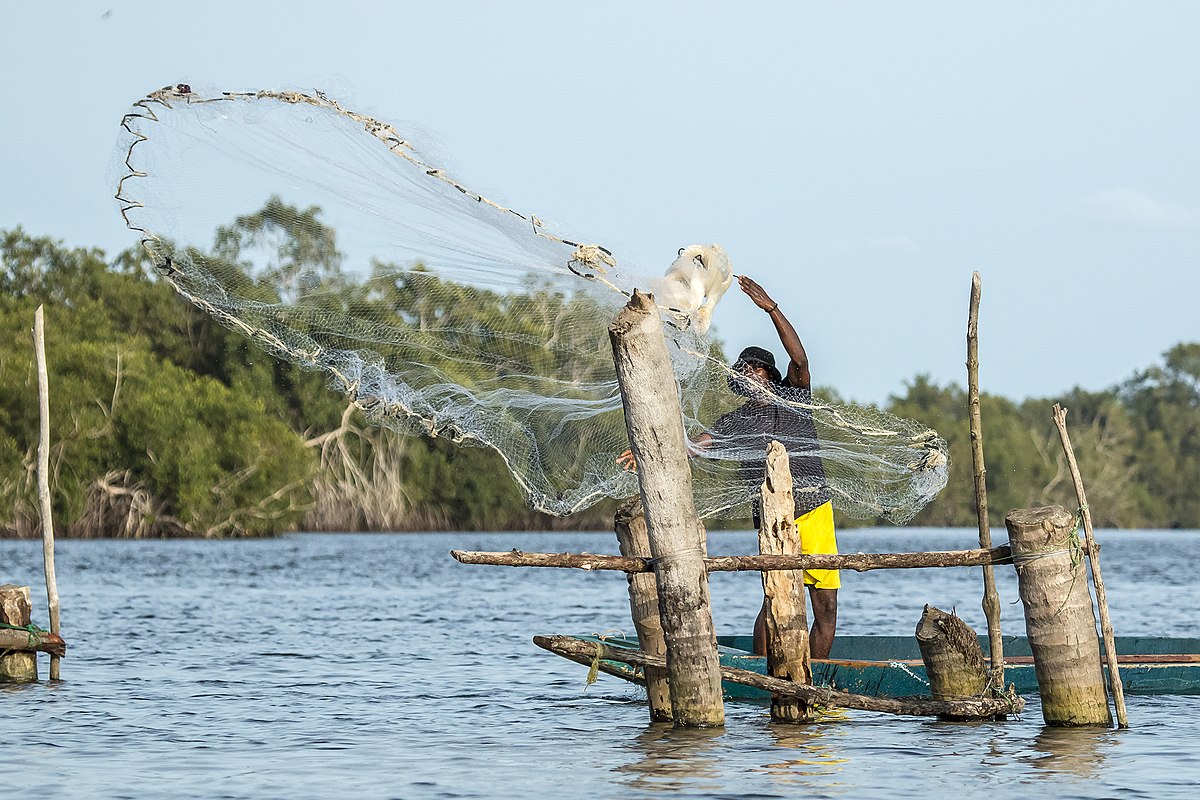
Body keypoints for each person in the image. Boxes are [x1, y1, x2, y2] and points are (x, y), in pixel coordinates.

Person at [617, 275, 839, 659]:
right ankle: (759, 673)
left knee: (826, 607)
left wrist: (771, 308)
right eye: (746, 372)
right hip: (771, 517)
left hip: (814, 509)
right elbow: (689, 446)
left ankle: (814, 678)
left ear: (772, 378)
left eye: (758, 370)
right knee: (776, 599)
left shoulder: (795, 397)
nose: (752, 376)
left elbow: (800, 359)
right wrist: (646, 450)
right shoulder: (734, 423)